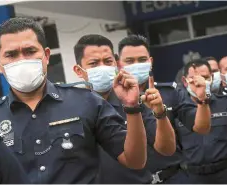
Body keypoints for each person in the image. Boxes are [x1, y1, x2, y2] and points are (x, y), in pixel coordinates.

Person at [0, 17, 147, 183]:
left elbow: (135, 160)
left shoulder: (87, 101)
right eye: (11, 54)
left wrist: (132, 108)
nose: (22, 60)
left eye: (30, 51)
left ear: (46, 55)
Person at [72, 34, 176, 183]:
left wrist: (160, 113)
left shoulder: (133, 100)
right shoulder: (72, 108)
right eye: (94, 63)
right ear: (79, 70)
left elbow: (167, 149)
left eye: (108, 62)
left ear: (116, 64)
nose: (102, 67)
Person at [117, 35, 211, 183]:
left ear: (150, 62)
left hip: (173, 177)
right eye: (129, 61)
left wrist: (202, 100)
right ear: (118, 64)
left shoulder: (169, 92)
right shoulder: (110, 100)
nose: (136, 65)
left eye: (142, 60)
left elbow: (202, 128)